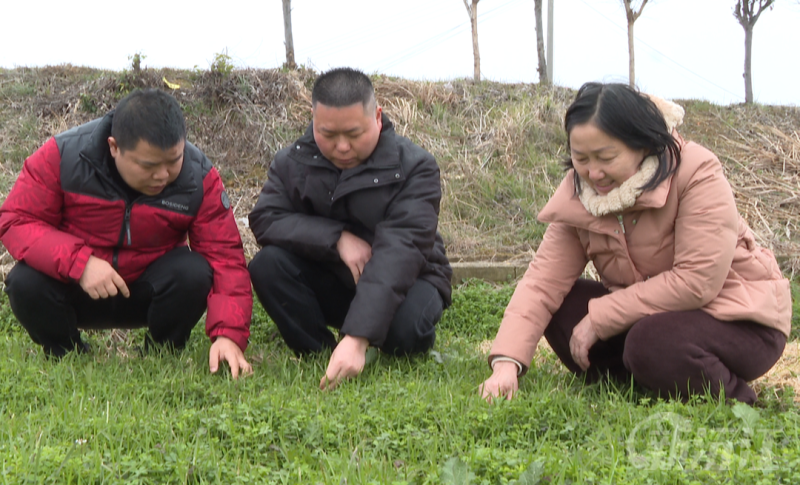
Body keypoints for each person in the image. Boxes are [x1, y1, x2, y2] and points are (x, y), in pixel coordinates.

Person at [480, 82, 791, 404]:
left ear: (642, 143)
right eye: (581, 158)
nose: (593, 173)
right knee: (563, 307)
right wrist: (506, 364)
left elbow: (697, 281)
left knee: (652, 341)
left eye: (606, 157)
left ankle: (736, 398)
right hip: (649, 320)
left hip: (739, 318)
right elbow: (541, 283)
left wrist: (601, 317)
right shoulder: (579, 192)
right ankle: (647, 379)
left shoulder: (696, 171)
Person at [0, 89, 253, 378]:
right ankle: (65, 352)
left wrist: (228, 334)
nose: (163, 175)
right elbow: (16, 220)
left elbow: (225, 257)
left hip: (148, 291)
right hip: (77, 288)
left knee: (193, 272)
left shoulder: (200, 176)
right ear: (114, 146)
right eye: (149, 165)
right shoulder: (62, 156)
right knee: (25, 281)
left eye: (173, 160)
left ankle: (162, 352)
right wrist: (80, 263)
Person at [248, 67, 452, 390]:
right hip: (336, 274)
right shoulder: (291, 162)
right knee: (268, 264)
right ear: (313, 119)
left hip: (412, 276)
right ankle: (321, 351)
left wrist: (358, 337)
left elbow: (401, 252)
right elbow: (266, 218)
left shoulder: (416, 167)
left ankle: (360, 336)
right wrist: (336, 239)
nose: (342, 147)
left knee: (404, 337)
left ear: (378, 117)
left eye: (354, 134)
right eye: (328, 134)